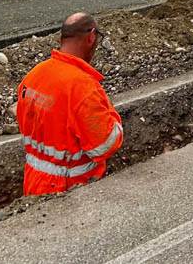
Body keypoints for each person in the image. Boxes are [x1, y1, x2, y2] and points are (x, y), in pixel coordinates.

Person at [16, 12, 123, 196]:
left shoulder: (34, 75)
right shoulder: (81, 86)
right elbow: (106, 144)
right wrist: (109, 111)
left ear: (61, 38)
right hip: (71, 190)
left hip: (33, 184)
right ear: (91, 38)